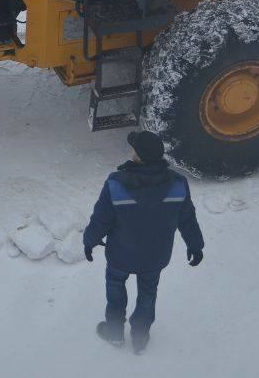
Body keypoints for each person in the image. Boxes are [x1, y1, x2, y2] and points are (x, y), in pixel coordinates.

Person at [82, 130, 204, 354]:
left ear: (137, 156)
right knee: (148, 292)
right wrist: (195, 245)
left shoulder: (115, 184)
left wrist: (89, 241)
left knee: (116, 288)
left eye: (134, 148)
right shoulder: (178, 184)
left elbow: (100, 220)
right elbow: (187, 220)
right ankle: (140, 338)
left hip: (120, 255)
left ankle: (114, 332)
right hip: (155, 256)